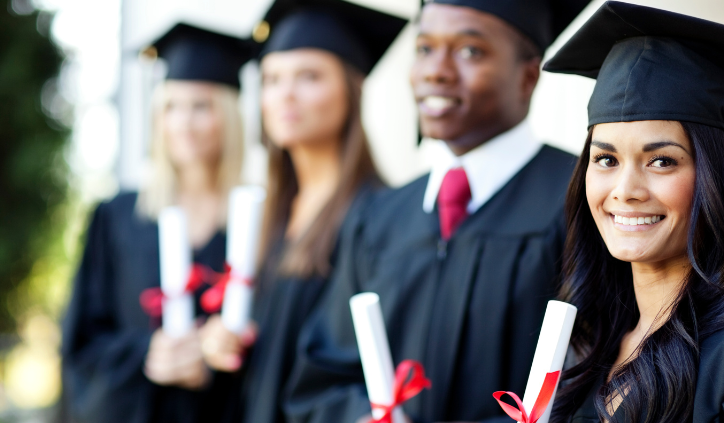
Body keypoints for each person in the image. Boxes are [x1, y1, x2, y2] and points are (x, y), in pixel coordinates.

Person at [282, 1, 590, 422]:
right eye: (425, 49)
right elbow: (324, 375)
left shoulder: (584, 202)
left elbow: (604, 381)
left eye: (470, 52)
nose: (435, 71)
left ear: (527, 76)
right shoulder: (379, 216)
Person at [540, 2, 724, 422]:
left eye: (661, 160)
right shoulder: (588, 347)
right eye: (606, 160)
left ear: (716, 179)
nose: (625, 191)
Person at [194, 2, 406, 423]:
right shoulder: (264, 216)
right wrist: (218, 341)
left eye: (309, 76)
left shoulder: (382, 216)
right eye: (271, 79)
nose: (284, 94)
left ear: (351, 88)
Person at [61, 23, 252, 423]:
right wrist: (151, 353)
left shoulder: (257, 222)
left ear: (229, 115)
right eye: (171, 107)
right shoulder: (116, 218)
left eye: (201, 106)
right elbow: (82, 346)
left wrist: (226, 347)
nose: (184, 122)